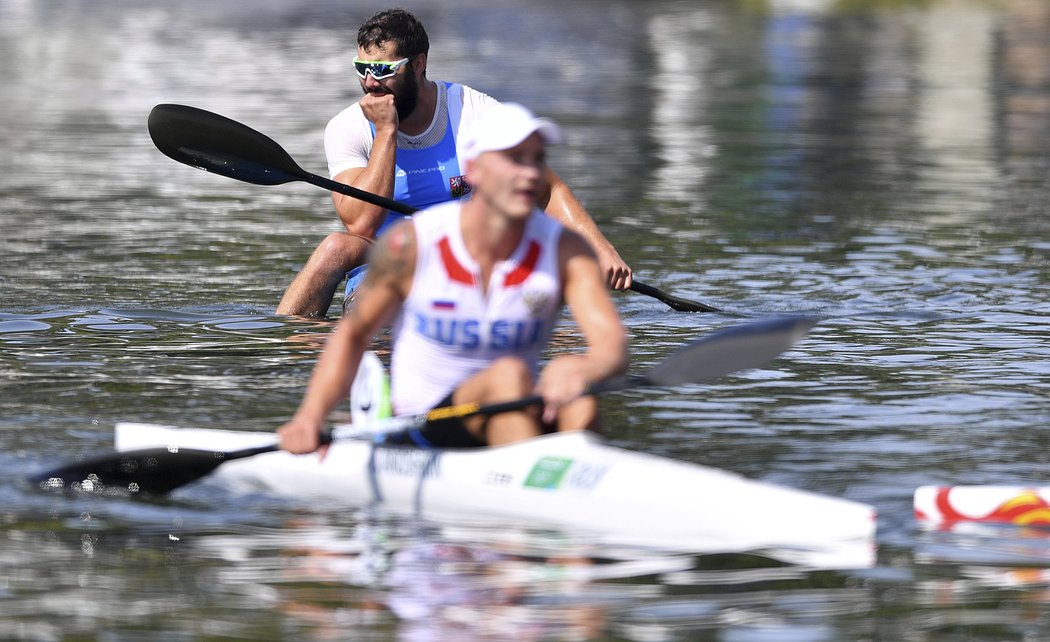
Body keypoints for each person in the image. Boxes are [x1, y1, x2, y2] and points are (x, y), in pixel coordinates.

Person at [278, 102, 628, 453]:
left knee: (578, 394)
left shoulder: (566, 250)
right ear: (473, 170)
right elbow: (353, 336)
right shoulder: (413, 245)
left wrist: (585, 368)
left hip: (511, 403)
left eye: (536, 159)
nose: (530, 174)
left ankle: (571, 477)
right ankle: (540, 482)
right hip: (423, 425)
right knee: (508, 375)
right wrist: (310, 417)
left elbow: (613, 345)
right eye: (513, 159)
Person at [276, 8, 632, 318]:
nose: (370, 83)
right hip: (385, 259)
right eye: (362, 68)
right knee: (335, 247)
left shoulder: (472, 112)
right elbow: (362, 224)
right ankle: (283, 340)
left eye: (384, 69)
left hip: (465, 255)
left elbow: (547, 189)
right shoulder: (348, 127)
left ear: (418, 64)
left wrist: (601, 251)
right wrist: (387, 131)